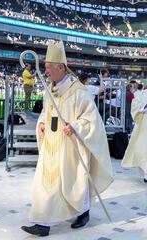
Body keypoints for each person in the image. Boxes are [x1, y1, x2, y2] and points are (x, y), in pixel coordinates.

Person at [21, 41, 113, 237]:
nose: (46, 72)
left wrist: (76, 127)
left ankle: (83, 212)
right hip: (51, 144)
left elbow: (91, 120)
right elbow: (46, 112)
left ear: (61, 67)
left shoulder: (78, 91)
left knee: (74, 182)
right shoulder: (49, 90)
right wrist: (42, 124)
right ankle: (42, 223)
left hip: (71, 145)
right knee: (46, 183)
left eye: (48, 68)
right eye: (44, 67)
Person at [122, 89, 147, 182]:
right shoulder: (142, 94)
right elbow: (136, 105)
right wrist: (142, 108)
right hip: (144, 125)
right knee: (143, 149)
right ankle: (146, 174)